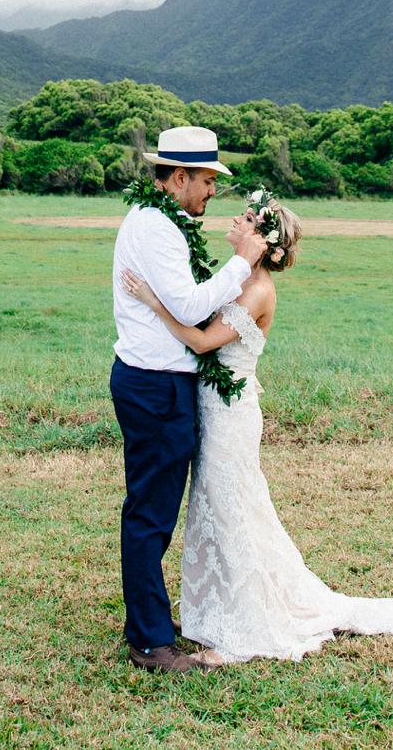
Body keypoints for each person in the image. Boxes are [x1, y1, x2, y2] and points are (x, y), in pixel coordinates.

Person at [122, 183, 393, 664]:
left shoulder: (257, 290)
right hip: (210, 406)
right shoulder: (233, 278)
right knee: (214, 506)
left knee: (234, 507)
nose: (236, 220)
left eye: (248, 219)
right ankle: (215, 607)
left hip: (231, 414)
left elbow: (202, 342)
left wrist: (151, 301)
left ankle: (249, 617)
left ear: (264, 240)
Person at [110, 125, 266, 673]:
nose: (210, 193)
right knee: (150, 512)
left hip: (159, 379)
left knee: (154, 508)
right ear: (178, 177)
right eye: (205, 181)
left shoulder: (161, 221)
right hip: (155, 385)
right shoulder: (156, 228)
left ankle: (149, 621)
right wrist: (243, 263)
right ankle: (150, 642)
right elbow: (191, 303)